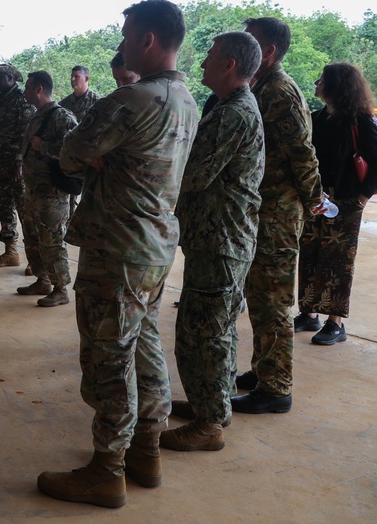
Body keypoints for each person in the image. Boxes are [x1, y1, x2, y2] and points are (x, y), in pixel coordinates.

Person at [38, 0, 198, 508]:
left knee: (109, 356)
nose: (122, 43)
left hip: (117, 247)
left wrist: (99, 157)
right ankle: (146, 452)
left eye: (128, 35)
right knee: (145, 348)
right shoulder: (187, 99)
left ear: (148, 40)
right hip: (155, 246)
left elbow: (69, 153)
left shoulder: (131, 99)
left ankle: (107, 470)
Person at [162, 32, 265, 452]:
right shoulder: (231, 107)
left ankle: (209, 424)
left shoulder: (231, 115)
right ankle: (213, 405)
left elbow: (193, 175)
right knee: (216, 328)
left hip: (220, 240)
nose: (202, 62)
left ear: (229, 65)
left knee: (202, 333)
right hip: (220, 238)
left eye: (210, 56)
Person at [233, 17, 322, 415]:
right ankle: (263, 368)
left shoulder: (281, 91)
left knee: (273, 301)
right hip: (262, 209)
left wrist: (316, 200)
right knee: (259, 297)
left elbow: (303, 153)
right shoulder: (261, 86)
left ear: (267, 51)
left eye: (250, 42)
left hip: (279, 214)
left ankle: (276, 388)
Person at [295, 63, 377, 345]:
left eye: (321, 79)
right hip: (316, 199)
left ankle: (335, 323)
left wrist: (360, 199)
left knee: (337, 262)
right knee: (309, 254)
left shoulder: (358, 120)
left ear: (336, 84)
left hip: (345, 201)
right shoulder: (317, 117)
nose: (316, 82)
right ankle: (309, 313)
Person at [17, 71, 78, 307]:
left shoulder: (61, 116)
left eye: (29, 87)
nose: (25, 91)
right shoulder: (36, 116)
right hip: (33, 190)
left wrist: (44, 146)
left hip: (52, 193)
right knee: (32, 238)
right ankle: (42, 280)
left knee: (52, 240)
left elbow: (72, 148)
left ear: (39, 89)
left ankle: (60, 288)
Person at [0, 63, 34, 268]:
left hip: (17, 165)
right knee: (4, 206)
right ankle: (11, 252)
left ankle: (35, 259)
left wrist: (19, 162)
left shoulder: (23, 99)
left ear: (10, 79)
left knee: (25, 210)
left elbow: (26, 134)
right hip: (1, 162)